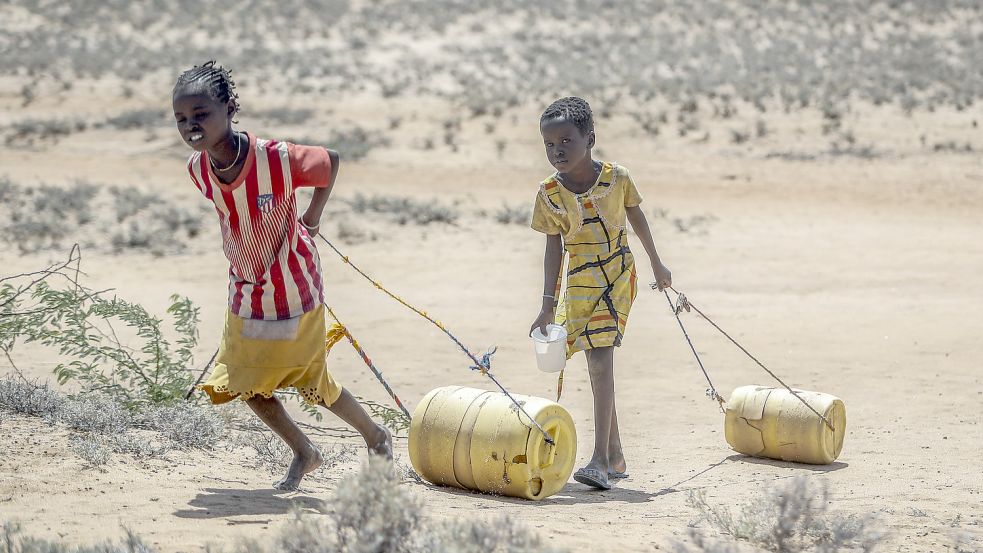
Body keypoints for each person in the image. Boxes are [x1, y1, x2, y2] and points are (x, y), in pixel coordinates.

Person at [172, 61, 391, 490]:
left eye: (201, 115)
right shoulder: (198, 170)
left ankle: (376, 437)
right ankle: (305, 452)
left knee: (311, 382)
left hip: (294, 284)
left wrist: (312, 214)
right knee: (245, 381)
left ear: (230, 108)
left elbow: (330, 162)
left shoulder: (275, 158)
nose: (191, 126)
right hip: (247, 290)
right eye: (182, 119)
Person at [529, 96, 672, 490]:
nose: (557, 151)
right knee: (594, 366)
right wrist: (546, 305)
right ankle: (615, 453)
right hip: (578, 282)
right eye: (549, 145)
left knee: (600, 360)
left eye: (566, 141)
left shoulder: (617, 178)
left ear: (589, 139)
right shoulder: (548, 193)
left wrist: (658, 264)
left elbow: (636, 216)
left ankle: (599, 462)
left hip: (616, 274)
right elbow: (552, 247)